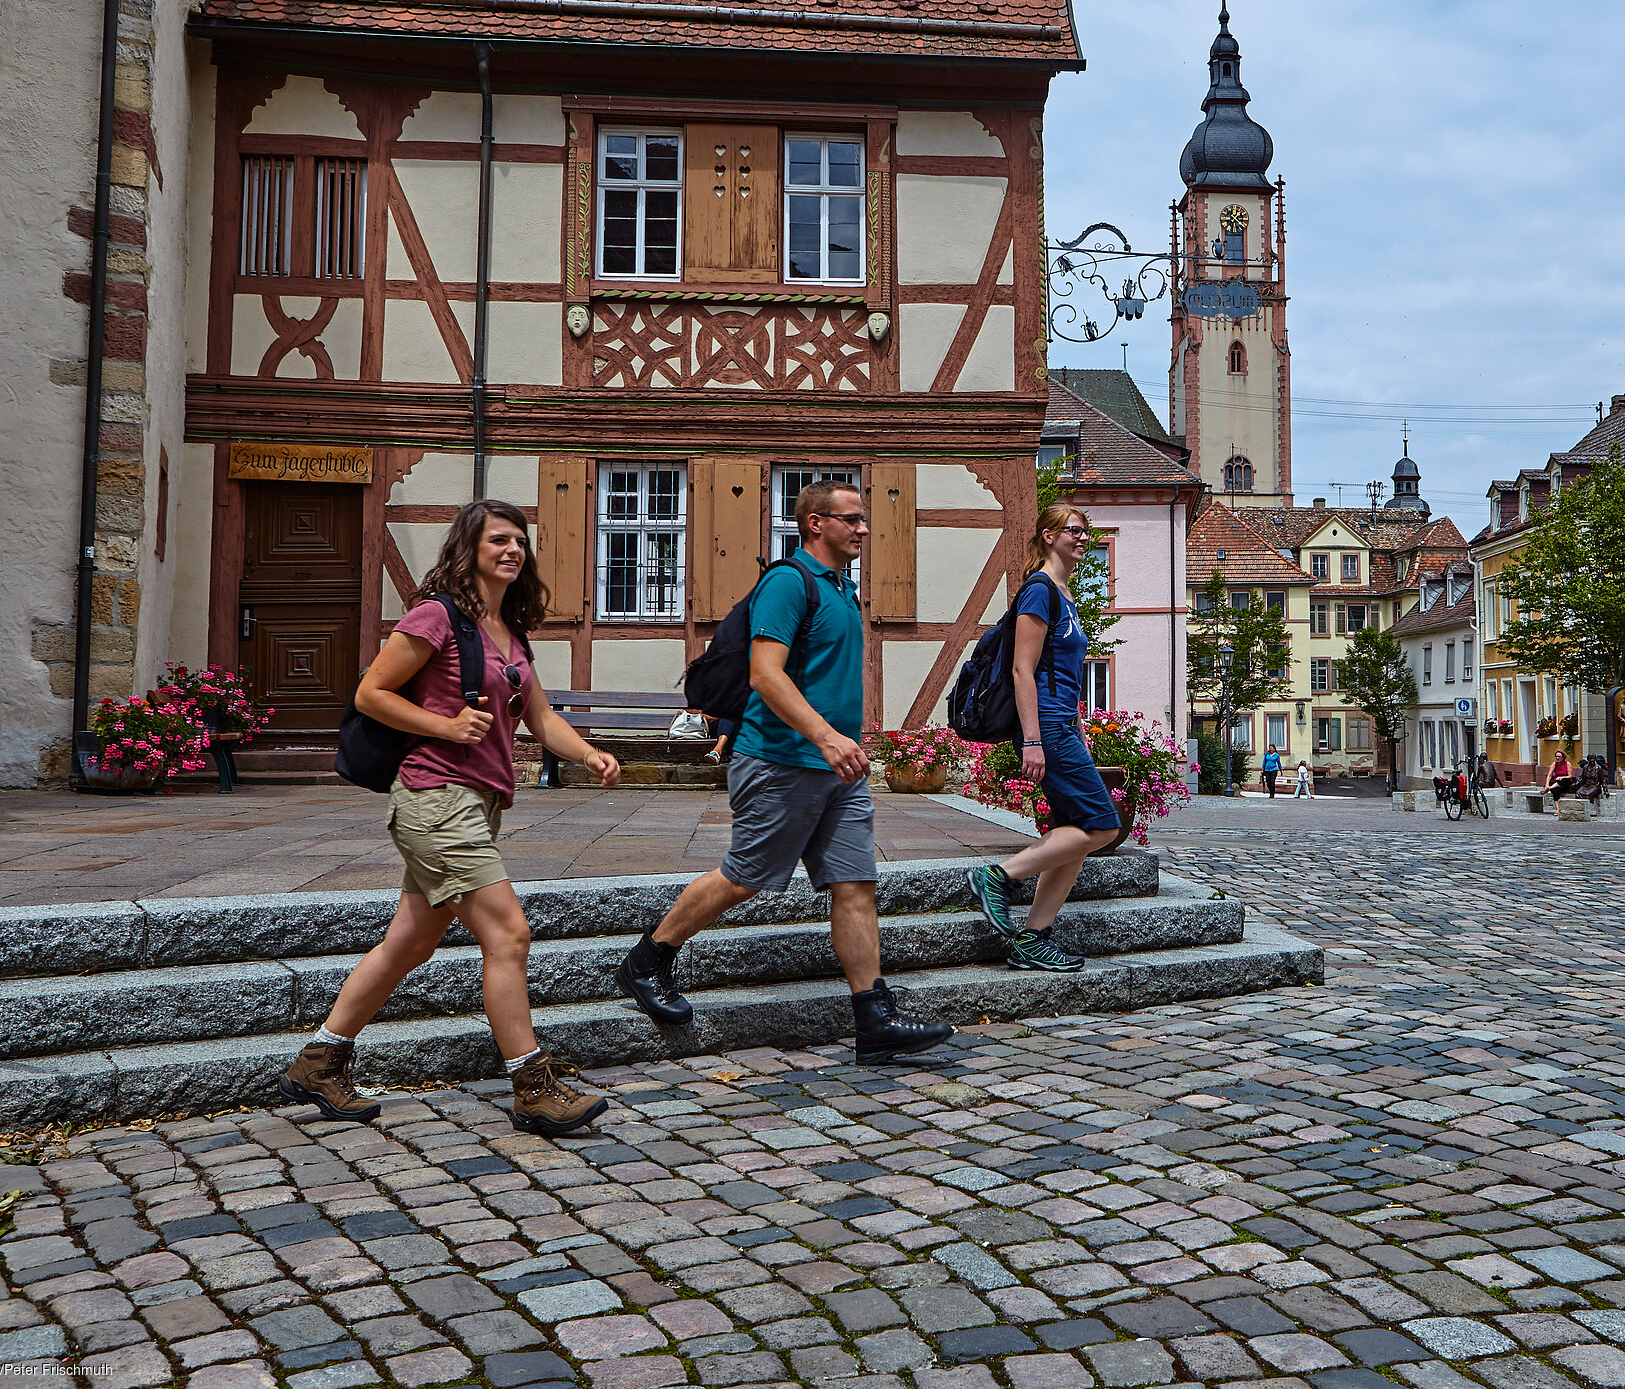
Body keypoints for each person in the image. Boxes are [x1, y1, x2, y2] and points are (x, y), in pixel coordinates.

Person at [278, 500, 624, 1137]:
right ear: (470, 548)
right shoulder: (435, 616)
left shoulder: (509, 633)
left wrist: (589, 753)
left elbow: (541, 718)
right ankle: (532, 1086)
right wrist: (445, 725)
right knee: (509, 932)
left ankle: (318, 1062)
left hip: (479, 802)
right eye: (499, 540)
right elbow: (369, 694)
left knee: (409, 942)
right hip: (436, 797)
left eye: (520, 542)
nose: (514, 550)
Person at [612, 480, 951, 1063]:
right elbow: (766, 674)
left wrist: (840, 744)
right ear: (816, 523)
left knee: (855, 885)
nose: (864, 529)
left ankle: (875, 1020)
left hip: (837, 768)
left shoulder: (842, 590)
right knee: (745, 878)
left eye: (864, 519)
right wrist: (825, 737)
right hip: (779, 761)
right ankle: (646, 963)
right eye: (851, 519)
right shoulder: (788, 584)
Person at [966, 502, 1121, 973]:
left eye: (1085, 531)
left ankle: (1034, 937)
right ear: (1049, 536)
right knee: (1104, 825)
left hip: (1059, 725)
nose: (1082, 537)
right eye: (1073, 529)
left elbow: (1067, 675)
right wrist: (1033, 739)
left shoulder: (1065, 595)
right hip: (1044, 726)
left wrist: (1078, 729)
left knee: (1074, 832)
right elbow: (1022, 670)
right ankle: (999, 875)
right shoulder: (1038, 591)